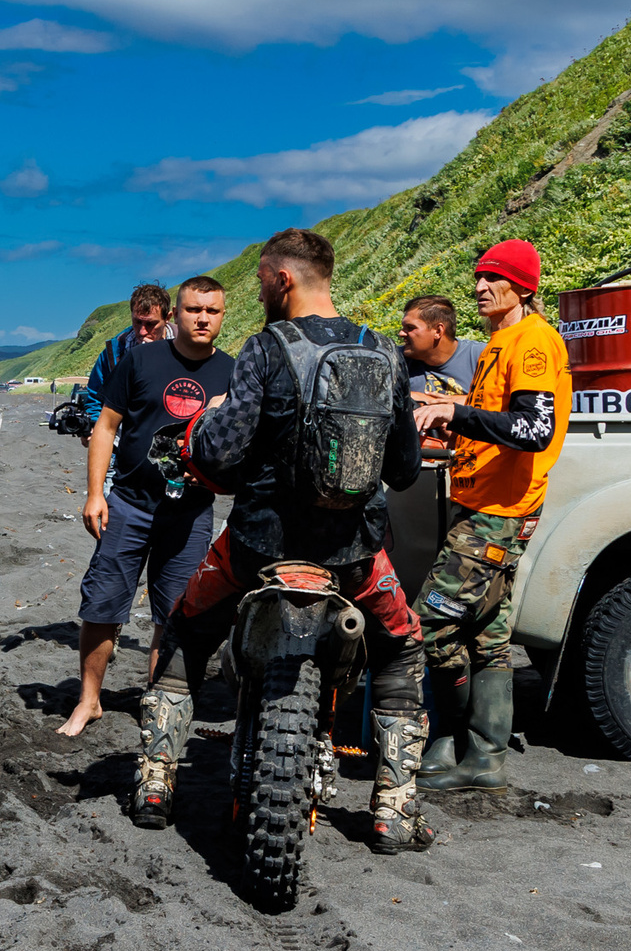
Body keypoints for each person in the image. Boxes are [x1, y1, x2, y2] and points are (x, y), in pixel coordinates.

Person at [153, 229, 431, 849]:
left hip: (258, 546)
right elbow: (405, 470)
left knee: (185, 630)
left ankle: (155, 781)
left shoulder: (265, 349)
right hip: (353, 554)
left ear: (283, 280)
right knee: (400, 648)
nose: (260, 293)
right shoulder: (384, 351)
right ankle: (394, 807)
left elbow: (221, 455)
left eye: (259, 282)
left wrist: (204, 429)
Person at [411, 238, 571, 797]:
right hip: (477, 503)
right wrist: (448, 430)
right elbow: (494, 425)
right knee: (487, 633)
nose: (480, 287)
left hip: (497, 516)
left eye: (494, 278)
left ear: (522, 287)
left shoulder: (533, 342)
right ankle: (482, 758)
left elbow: (535, 429)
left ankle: (445, 736)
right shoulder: (500, 341)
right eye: (478, 277)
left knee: (428, 623)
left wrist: (457, 411)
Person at [58, 276, 232, 742]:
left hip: (191, 513)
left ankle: (156, 701)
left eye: (211, 311)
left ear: (222, 316)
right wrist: (96, 493)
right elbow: (106, 426)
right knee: (102, 604)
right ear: (176, 314)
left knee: (173, 614)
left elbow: (241, 449)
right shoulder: (141, 359)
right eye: (194, 309)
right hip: (130, 504)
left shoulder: (233, 373)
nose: (202, 318)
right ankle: (88, 700)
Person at [77, 283, 177, 426]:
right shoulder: (114, 352)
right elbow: (95, 398)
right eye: (137, 322)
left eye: (150, 324)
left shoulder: (187, 348)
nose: (142, 331)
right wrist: (94, 428)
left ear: (167, 318)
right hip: (124, 438)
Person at [398, 295, 483, 395]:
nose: (401, 333)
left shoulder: (481, 356)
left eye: (410, 328)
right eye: (403, 327)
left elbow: (495, 403)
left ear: (438, 331)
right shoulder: (395, 360)